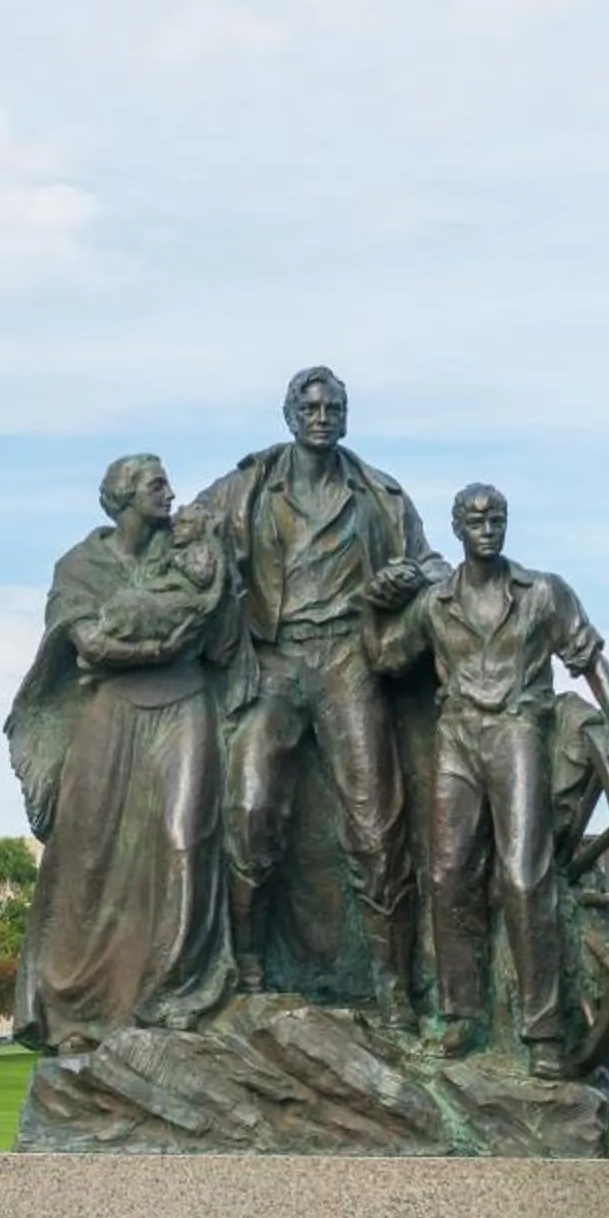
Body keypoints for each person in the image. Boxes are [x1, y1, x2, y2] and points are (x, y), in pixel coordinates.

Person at [198, 367, 443, 1020]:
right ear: (289, 415)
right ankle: (247, 967)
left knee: (376, 823)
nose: (321, 417)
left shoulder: (379, 495)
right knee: (249, 807)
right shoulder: (246, 487)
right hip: (273, 661)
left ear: (345, 416)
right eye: (310, 408)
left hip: (348, 658)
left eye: (333, 408)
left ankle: (395, 986)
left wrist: (407, 577)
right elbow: (186, 539)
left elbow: (432, 565)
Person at [379, 484, 609, 1080]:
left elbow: (589, 659)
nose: (487, 529)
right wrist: (375, 601)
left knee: (524, 876)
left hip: (517, 731)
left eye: (495, 519)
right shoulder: (436, 603)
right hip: (457, 738)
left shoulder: (542, 592)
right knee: (447, 876)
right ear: (458, 530)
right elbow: (386, 656)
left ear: (506, 524)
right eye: (475, 521)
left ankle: (542, 1031)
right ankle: (460, 1015)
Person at [5, 455, 238, 1052]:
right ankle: (76, 1013)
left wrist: (160, 639)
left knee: (187, 840)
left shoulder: (187, 549)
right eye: (157, 485)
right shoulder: (80, 566)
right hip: (110, 716)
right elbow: (89, 644)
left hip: (185, 707)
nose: (170, 494)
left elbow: (211, 630)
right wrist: (168, 642)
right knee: (87, 858)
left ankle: (175, 996)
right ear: (124, 496)